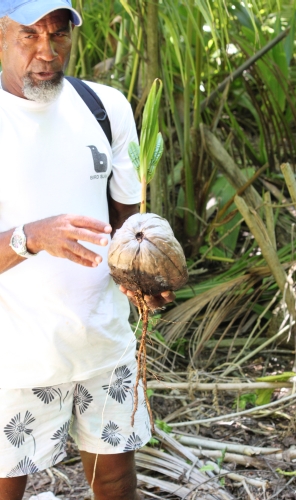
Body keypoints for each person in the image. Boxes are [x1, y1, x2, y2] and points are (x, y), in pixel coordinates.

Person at [0, 1, 174, 499]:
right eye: (29, 35)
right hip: (15, 357)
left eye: (58, 36)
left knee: (116, 479)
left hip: (103, 344)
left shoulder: (105, 107)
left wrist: (144, 273)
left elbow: (127, 224)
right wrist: (31, 236)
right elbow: (29, 236)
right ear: (0, 36)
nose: (46, 52)